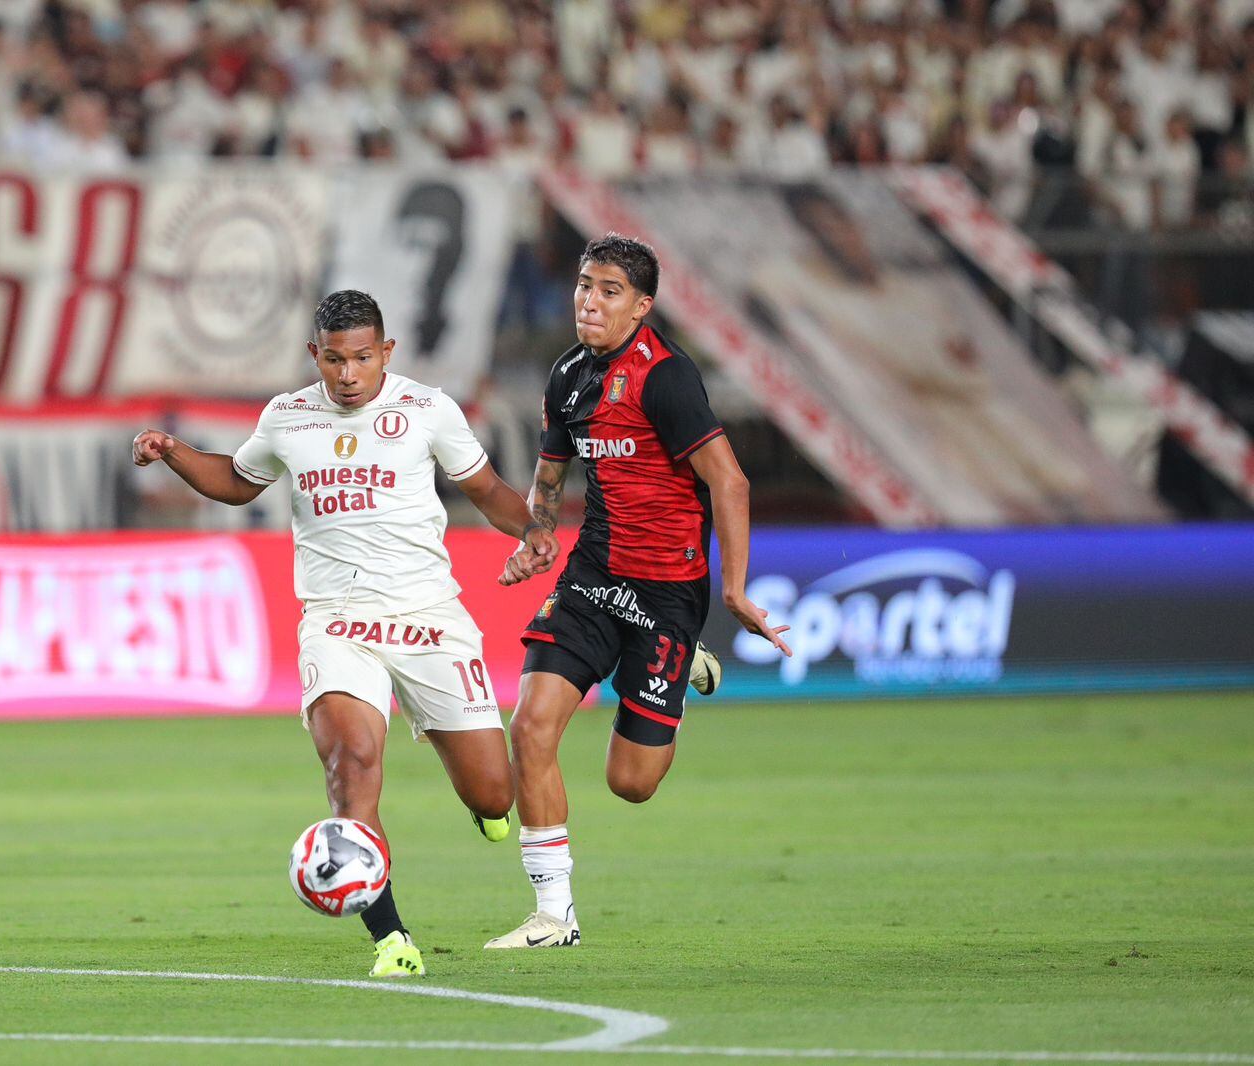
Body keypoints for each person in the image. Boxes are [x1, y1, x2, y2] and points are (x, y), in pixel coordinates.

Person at [132, 290, 559, 977]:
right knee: (352, 768)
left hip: (428, 617)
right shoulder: (288, 417)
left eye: (362, 358)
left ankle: (484, 807)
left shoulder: (428, 410)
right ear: (315, 357)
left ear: (386, 353)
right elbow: (240, 484)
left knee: (493, 793)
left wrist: (535, 531)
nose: (349, 374)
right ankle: (392, 939)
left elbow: (485, 489)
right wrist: (175, 451)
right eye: (334, 360)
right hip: (336, 621)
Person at [484, 234, 792, 949]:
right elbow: (552, 473)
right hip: (593, 578)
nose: (590, 300)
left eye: (610, 290)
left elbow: (730, 481)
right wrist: (536, 536)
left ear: (642, 306)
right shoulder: (565, 376)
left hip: (665, 595)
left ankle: (680, 666)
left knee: (632, 783)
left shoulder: (666, 378)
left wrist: (737, 591)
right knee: (529, 728)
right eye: (584, 285)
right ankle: (554, 915)